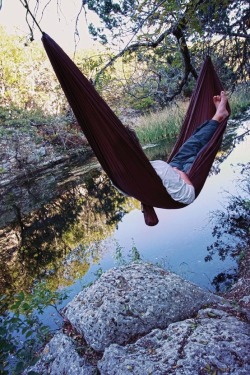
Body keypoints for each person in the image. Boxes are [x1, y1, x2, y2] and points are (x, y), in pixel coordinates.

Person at [150, 91, 229, 204]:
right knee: (202, 152)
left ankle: (217, 117)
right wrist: (179, 173)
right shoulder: (144, 173)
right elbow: (189, 195)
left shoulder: (126, 179)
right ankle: (218, 116)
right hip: (183, 176)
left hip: (170, 169)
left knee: (191, 144)